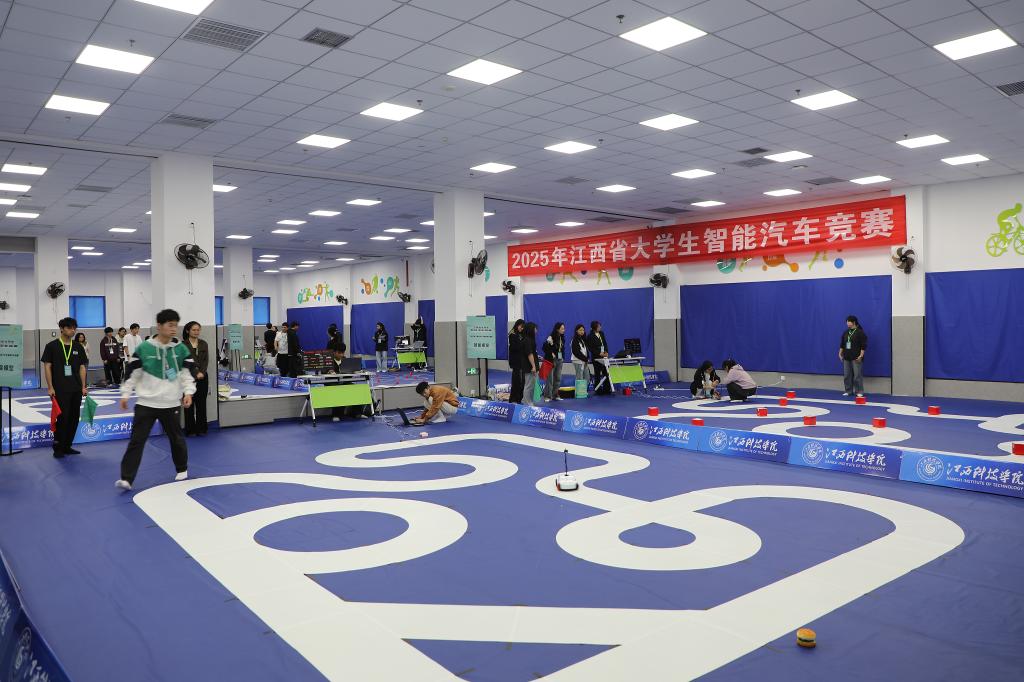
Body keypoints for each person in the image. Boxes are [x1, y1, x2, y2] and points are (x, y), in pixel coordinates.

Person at [116, 309, 196, 491]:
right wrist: (125, 394)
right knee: (136, 441)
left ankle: (182, 469)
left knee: (176, 438)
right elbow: (133, 373)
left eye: (176, 325)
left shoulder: (180, 349)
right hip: (146, 404)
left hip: (171, 403)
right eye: (170, 325)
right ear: (159, 326)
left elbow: (187, 374)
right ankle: (126, 478)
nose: (174, 328)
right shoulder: (144, 348)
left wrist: (188, 392)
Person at [41, 317, 88, 458]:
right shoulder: (52, 346)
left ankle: (67, 446)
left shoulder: (78, 347)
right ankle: (58, 447)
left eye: (74, 328)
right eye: (69, 328)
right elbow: (47, 366)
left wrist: (83, 386)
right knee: (62, 418)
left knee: (74, 418)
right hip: (60, 389)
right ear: (62, 329)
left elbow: (82, 367)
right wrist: (50, 387)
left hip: (76, 388)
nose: (73, 330)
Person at [182, 321, 209, 437]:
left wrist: (202, 372)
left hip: (203, 377)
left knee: (201, 403)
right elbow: (183, 362)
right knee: (189, 404)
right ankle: (190, 430)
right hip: (188, 377)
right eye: (194, 330)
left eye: (198, 330)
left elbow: (205, 360)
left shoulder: (203, 344)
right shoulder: (182, 345)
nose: (196, 332)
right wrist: (195, 373)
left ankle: (202, 428)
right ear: (188, 331)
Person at [840, 315, 867, 398]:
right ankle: (848, 391)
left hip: (856, 357)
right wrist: (840, 353)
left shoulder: (860, 332)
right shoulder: (846, 332)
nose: (847, 323)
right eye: (847, 322)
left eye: (849, 322)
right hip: (846, 357)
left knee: (857, 376)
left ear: (854, 322)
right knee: (847, 375)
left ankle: (859, 391)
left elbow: (863, 346)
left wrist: (861, 355)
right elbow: (842, 344)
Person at [542, 322, 565, 401]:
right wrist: (551, 352)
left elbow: (561, 349)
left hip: (560, 360)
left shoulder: (562, 338)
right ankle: (547, 396)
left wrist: (562, 357)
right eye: (562, 329)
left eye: (564, 329)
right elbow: (544, 347)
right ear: (557, 329)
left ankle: (555, 395)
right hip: (551, 360)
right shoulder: (551, 337)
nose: (563, 330)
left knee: (558, 378)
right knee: (550, 379)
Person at [587, 321, 612, 395]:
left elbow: (605, 343)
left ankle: (607, 388)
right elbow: (590, 348)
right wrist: (598, 353)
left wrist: (606, 352)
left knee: (606, 372)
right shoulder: (590, 336)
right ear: (595, 327)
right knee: (597, 373)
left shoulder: (601, 333)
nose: (600, 327)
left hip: (604, 357)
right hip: (596, 357)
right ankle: (598, 389)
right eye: (598, 326)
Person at [508, 319, 527, 403]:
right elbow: (514, 347)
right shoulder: (512, 335)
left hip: (522, 361)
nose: (521, 328)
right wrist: (522, 345)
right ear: (517, 325)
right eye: (520, 326)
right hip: (515, 361)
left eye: (523, 327)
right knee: (516, 380)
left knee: (522, 381)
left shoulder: (522, 335)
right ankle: (513, 398)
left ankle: (520, 397)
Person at [522, 322, 539, 406]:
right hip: (529, 366)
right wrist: (533, 366)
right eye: (535, 328)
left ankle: (529, 401)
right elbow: (529, 354)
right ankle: (527, 402)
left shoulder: (530, 339)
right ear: (531, 329)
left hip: (532, 364)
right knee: (529, 385)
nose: (536, 330)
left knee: (532, 385)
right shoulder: (527, 340)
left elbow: (532, 353)